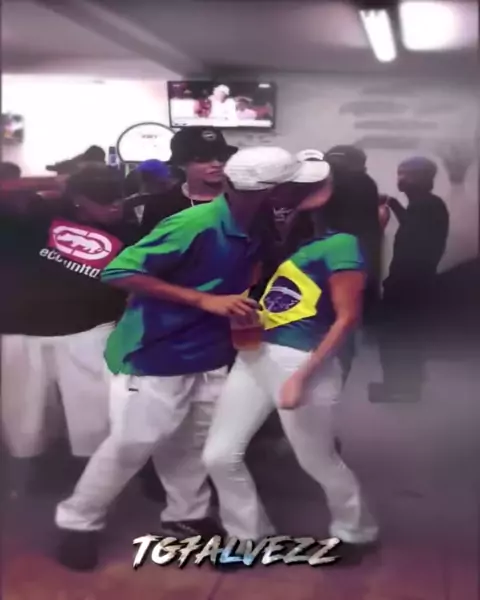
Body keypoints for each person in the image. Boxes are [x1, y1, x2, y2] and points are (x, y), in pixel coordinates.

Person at [53, 146, 330, 572]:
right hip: (154, 352)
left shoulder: (257, 223)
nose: (302, 193)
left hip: (209, 350)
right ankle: (78, 520)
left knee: (191, 441)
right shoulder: (194, 223)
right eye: (293, 187)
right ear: (270, 191)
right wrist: (204, 300)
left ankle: (186, 514)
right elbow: (119, 271)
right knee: (133, 443)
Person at [203, 151, 379, 567]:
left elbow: (347, 318)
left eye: (302, 187)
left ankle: (357, 530)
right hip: (255, 354)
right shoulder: (303, 240)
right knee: (218, 455)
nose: (284, 195)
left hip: (302, 362)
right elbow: (292, 300)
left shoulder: (342, 244)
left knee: (317, 460)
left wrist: (302, 376)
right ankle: (248, 536)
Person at [1, 166, 138, 490]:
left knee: (94, 413)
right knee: (25, 413)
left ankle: (95, 480)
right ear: (78, 198)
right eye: (102, 198)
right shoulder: (36, 218)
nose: (114, 205)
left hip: (89, 329)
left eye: (118, 197)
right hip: (22, 329)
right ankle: (30, 472)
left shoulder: (129, 231)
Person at [370, 156, 449, 403]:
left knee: (395, 335)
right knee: (407, 333)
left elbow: (415, 249)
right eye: (400, 173)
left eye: (406, 174)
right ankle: (408, 385)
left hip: (408, 283)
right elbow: (413, 228)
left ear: (423, 178)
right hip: (417, 282)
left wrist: (393, 283)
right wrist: (394, 204)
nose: (400, 179)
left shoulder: (425, 207)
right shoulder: (427, 205)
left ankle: (399, 389)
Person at [140, 127, 237, 235]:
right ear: (181, 163)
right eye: (203, 158)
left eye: (222, 157)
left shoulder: (243, 200)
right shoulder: (160, 205)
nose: (217, 164)